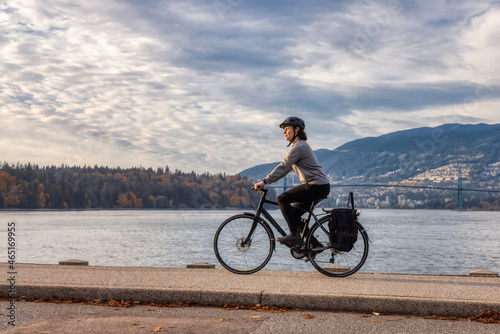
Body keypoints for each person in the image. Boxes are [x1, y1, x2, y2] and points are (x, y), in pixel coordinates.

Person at [254, 117, 330, 246]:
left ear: (297, 129)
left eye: (287, 129)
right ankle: (315, 244)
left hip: (315, 186)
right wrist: (268, 180)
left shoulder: (299, 147)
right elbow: (286, 168)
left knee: (282, 199)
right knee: (294, 215)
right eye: (284, 130)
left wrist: (265, 181)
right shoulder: (299, 147)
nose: (284, 132)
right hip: (318, 186)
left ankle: (294, 235)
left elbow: (283, 166)